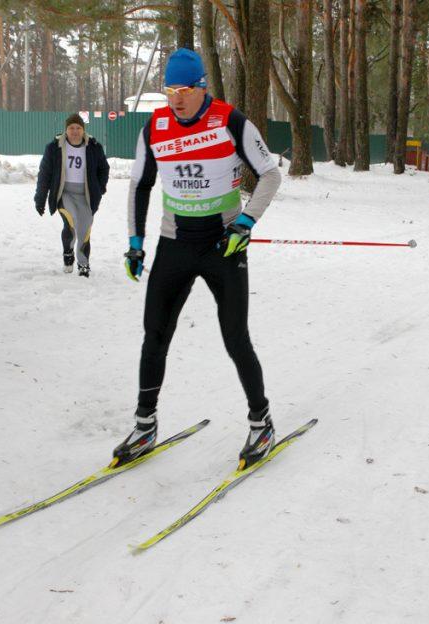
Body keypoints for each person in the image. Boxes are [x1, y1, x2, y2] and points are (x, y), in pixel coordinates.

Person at [113, 48, 283, 469]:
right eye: (170, 89)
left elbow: (270, 173)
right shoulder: (154, 127)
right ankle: (145, 423)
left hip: (221, 244)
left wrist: (244, 223)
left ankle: (261, 421)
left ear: (202, 87)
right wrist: (136, 242)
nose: (176, 98)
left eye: (185, 90)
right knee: (155, 335)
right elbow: (139, 185)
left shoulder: (229, 120)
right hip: (175, 242)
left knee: (234, 335)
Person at [34, 114, 111, 276]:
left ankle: (84, 264)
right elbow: (44, 174)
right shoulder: (54, 148)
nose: (75, 131)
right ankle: (68, 254)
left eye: (78, 128)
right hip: (64, 193)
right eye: (71, 128)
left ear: (83, 130)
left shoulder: (94, 147)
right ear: (66, 130)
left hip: (86, 195)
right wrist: (40, 198)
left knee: (84, 229)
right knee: (71, 221)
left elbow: (104, 169)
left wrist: (100, 188)